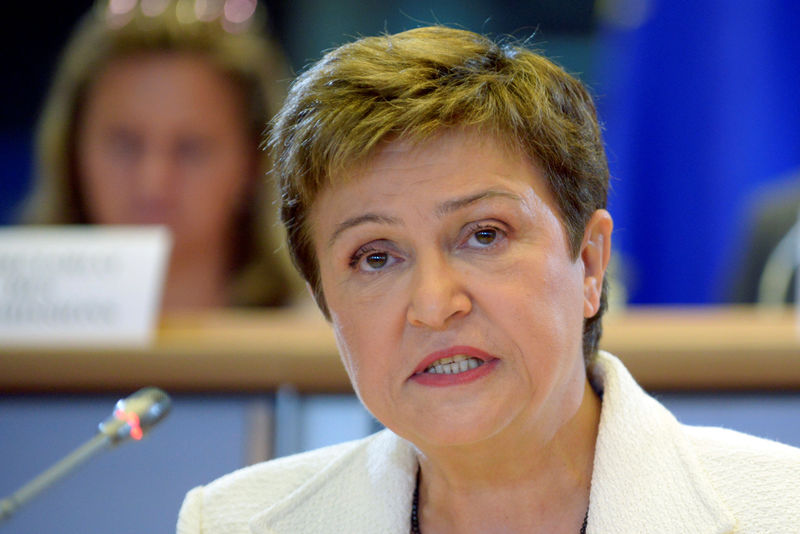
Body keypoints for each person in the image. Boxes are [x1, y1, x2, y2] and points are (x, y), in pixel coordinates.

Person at [177, 26, 800, 533]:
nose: (434, 304)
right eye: (374, 257)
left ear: (588, 262)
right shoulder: (236, 524)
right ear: (325, 303)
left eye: (484, 235)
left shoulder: (780, 511)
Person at [21, 0, 301, 310]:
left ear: (254, 161)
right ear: (71, 150)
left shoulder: (328, 345)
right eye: (125, 144)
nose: (152, 181)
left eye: (190, 148)